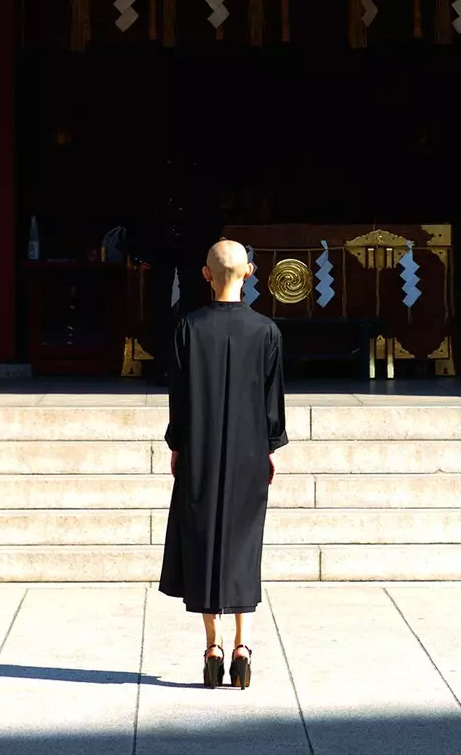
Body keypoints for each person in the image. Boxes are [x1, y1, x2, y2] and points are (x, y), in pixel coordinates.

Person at [160, 238, 288, 689]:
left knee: (203, 541)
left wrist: (177, 444)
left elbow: (179, 398)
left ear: (205, 274)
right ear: (250, 272)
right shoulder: (267, 332)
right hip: (250, 451)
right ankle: (242, 647)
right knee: (242, 544)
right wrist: (271, 447)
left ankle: (212, 646)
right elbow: (272, 403)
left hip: (200, 449)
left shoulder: (187, 328)